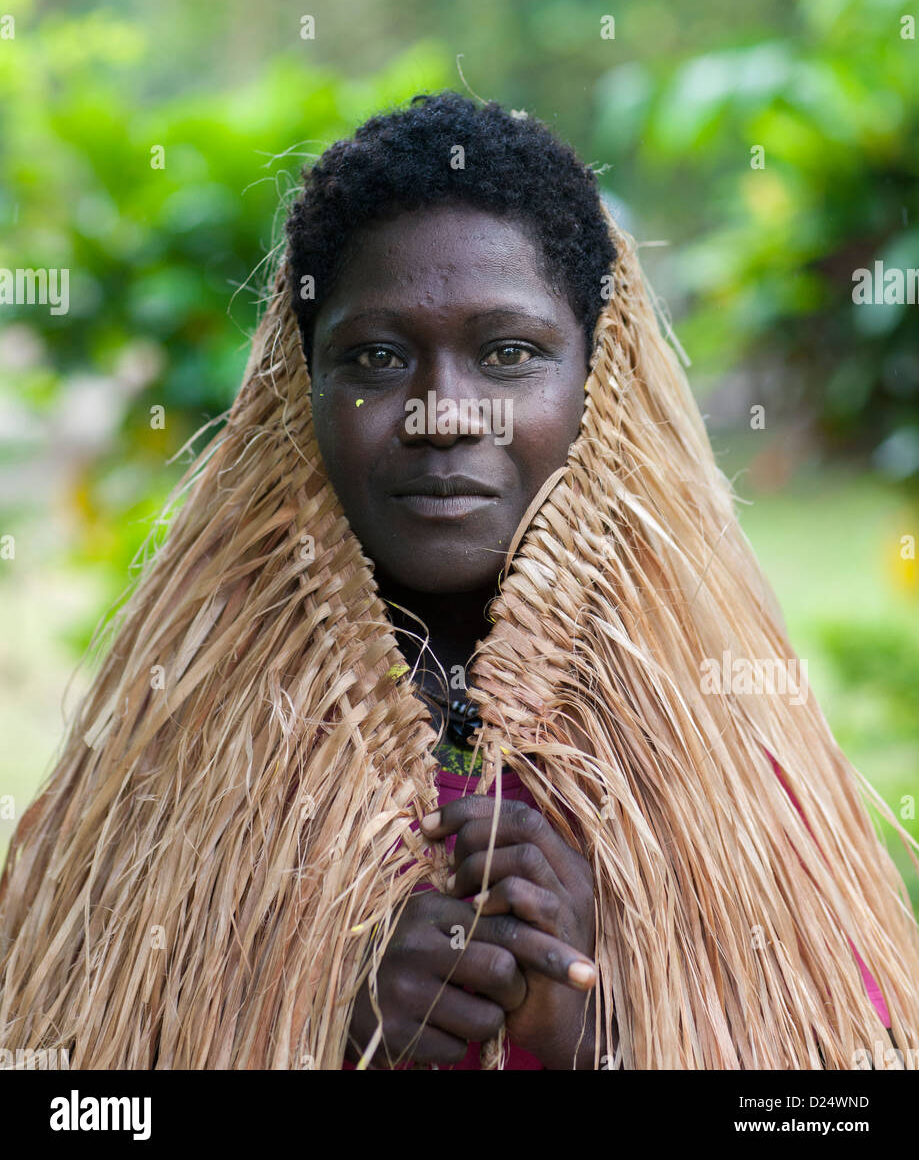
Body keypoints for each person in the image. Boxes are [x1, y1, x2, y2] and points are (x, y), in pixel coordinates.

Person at [1, 91, 918, 1069]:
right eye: (378, 357)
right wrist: (316, 1020)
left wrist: (585, 1032)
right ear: (296, 382)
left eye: (508, 353)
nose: (443, 413)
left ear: (599, 377)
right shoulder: (182, 754)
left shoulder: (708, 751)